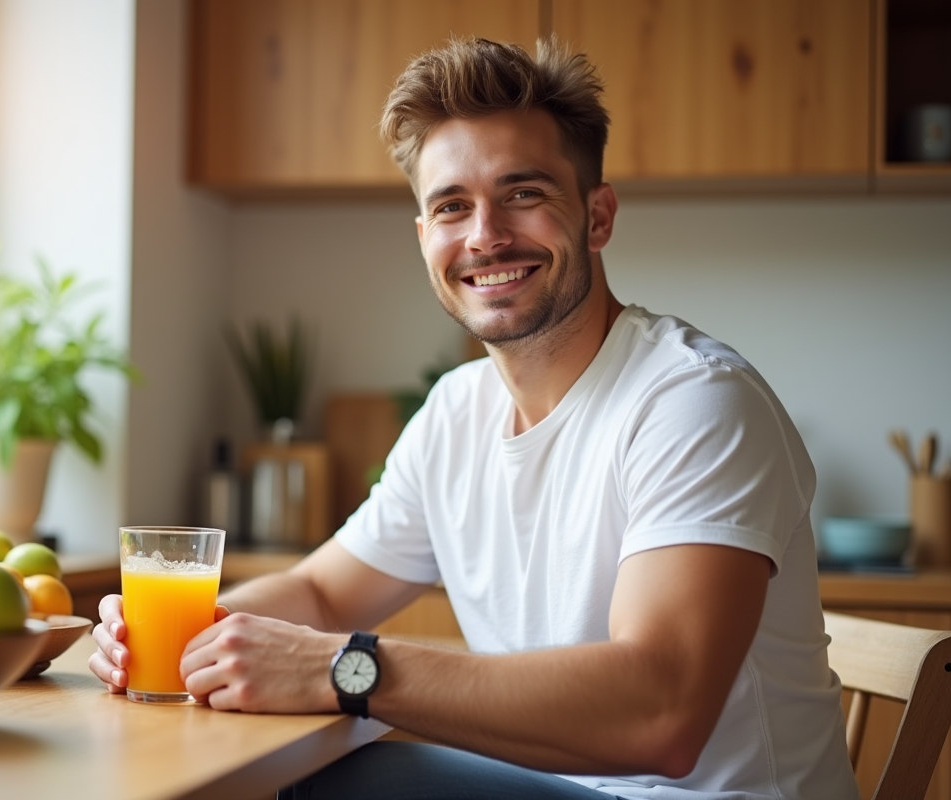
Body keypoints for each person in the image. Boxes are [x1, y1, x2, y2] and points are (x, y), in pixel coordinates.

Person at [91, 36, 859, 799]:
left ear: (597, 216)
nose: (485, 235)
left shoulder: (693, 402)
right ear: (426, 239)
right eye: (452, 207)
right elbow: (323, 595)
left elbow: (662, 713)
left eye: (523, 193)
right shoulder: (456, 412)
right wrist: (179, 635)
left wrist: (344, 667)